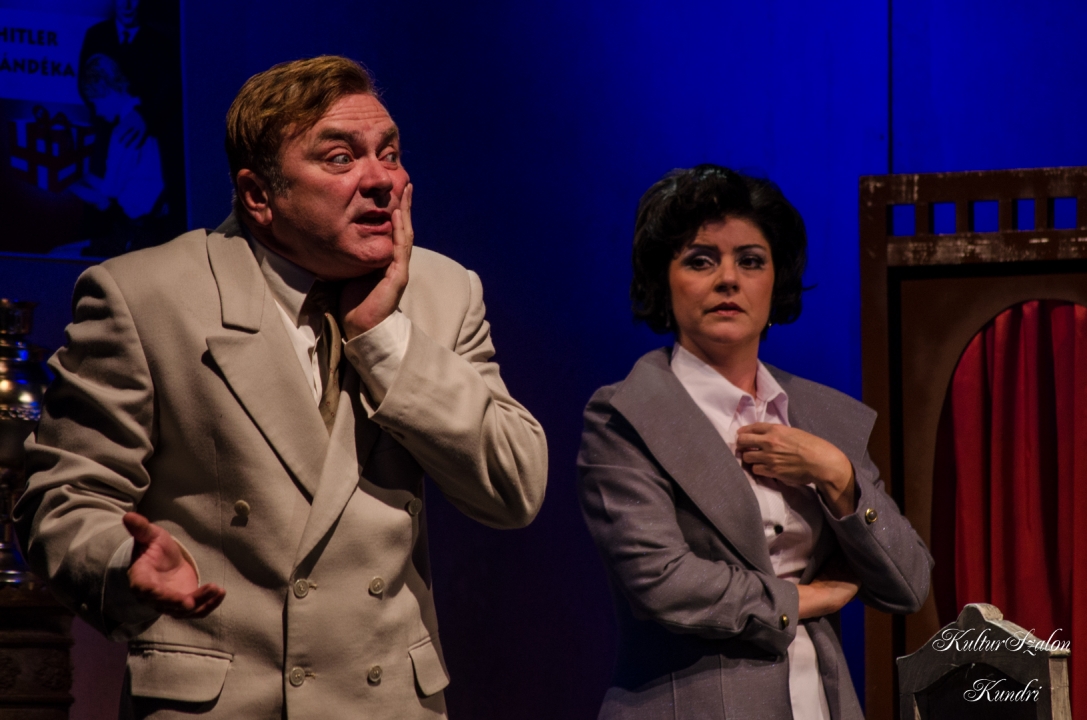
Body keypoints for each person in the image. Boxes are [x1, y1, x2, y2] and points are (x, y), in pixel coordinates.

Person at [15, 56, 548, 719]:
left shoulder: (443, 290)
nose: (381, 179)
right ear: (259, 195)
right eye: (340, 158)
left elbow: (513, 487)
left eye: (389, 153)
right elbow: (64, 498)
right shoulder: (147, 297)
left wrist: (384, 340)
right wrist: (124, 565)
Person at [577, 164, 932, 719]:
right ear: (663, 281)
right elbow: (662, 581)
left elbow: (908, 585)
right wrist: (799, 599)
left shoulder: (820, 414)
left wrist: (836, 473)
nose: (728, 279)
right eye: (700, 260)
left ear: (775, 281)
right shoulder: (626, 416)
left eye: (750, 260)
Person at [68, 53, 166, 247]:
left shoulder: (125, 129)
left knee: (59, 253)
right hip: (143, 225)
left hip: (138, 232)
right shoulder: (143, 117)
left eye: (94, 102)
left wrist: (68, 188)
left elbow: (106, 195)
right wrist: (84, 178)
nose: (97, 112)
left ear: (103, 88)